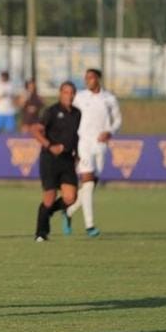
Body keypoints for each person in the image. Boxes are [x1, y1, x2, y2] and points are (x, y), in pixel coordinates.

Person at [63, 68, 121, 237]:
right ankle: (90, 226)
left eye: (91, 78)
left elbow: (117, 120)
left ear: (98, 79)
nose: (87, 80)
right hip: (83, 143)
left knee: (90, 186)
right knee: (87, 182)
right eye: (86, 78)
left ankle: (68, 211)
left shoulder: (109, 99)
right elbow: (69, 115)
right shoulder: (80, 97)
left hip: (100, 145)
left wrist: (110, 131)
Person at [31, 81, 81, 242]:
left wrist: (77, 154)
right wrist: (49, 145)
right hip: (50, 159)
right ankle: (41, 232)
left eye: (72, 93)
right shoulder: (51, 111)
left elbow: (75, 136)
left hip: (67, 159)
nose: (70, 96)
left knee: (71, 198)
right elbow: (35, 130)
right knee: (49, 198)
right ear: (60, 93)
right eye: (66, 92)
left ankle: (49, 212)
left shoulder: (77, 113)